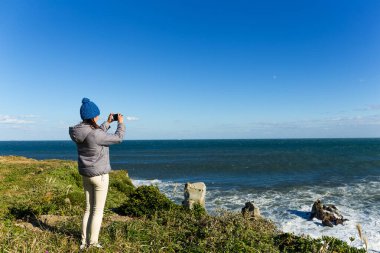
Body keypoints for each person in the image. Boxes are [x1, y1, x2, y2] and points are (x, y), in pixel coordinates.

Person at [69, 97, 126, 250]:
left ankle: (83, 242)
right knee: (97, 210)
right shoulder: (95, 134)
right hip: (99, 176)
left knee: (88, 209)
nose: (98, 118)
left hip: (86, 174)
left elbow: (95, 133)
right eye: (97, 115)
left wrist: (107, 123)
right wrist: (120, 123)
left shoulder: (79, 132)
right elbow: (118, 138)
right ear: (93, 116)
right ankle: (92, 244)